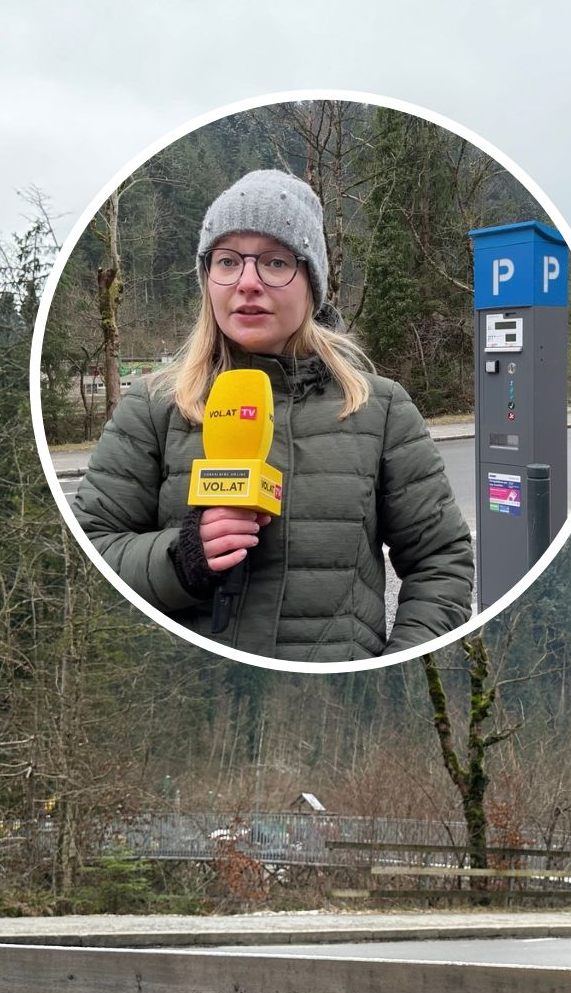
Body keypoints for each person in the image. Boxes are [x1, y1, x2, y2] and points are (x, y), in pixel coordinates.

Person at [73, 169, 473, 663]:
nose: (247, 283)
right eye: (227, 261)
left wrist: (393, 674)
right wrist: (183, 558)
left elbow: (441, 565)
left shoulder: (380, 408)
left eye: (275, 261)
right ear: (207, 279)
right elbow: (89, 555)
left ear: (312, 282)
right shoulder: (153, 406)